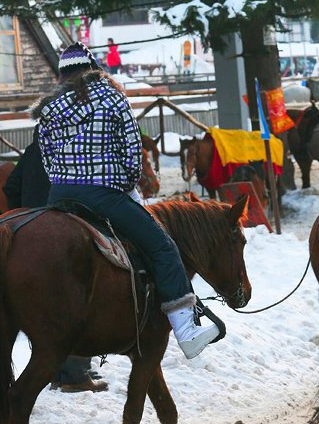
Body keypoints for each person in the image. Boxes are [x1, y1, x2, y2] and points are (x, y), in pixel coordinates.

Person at [35, 42, 222, 359]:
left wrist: (63, 183)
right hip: (104, 195)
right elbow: (134, 155)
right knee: (162, 246)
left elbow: (47, 158)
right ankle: (187, 330)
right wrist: (121, 183)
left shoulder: (50, 109)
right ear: (93, 70)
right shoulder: (111, 98)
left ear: (62, 75)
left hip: (59, 196)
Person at [3, 129, 109, 393]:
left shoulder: (32, 148)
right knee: (77, 298)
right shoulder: (76, 144)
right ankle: (73, 376)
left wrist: (24, 218)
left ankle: (51, 370)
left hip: (28, 229)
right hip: (65, 229)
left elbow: (10, 187)